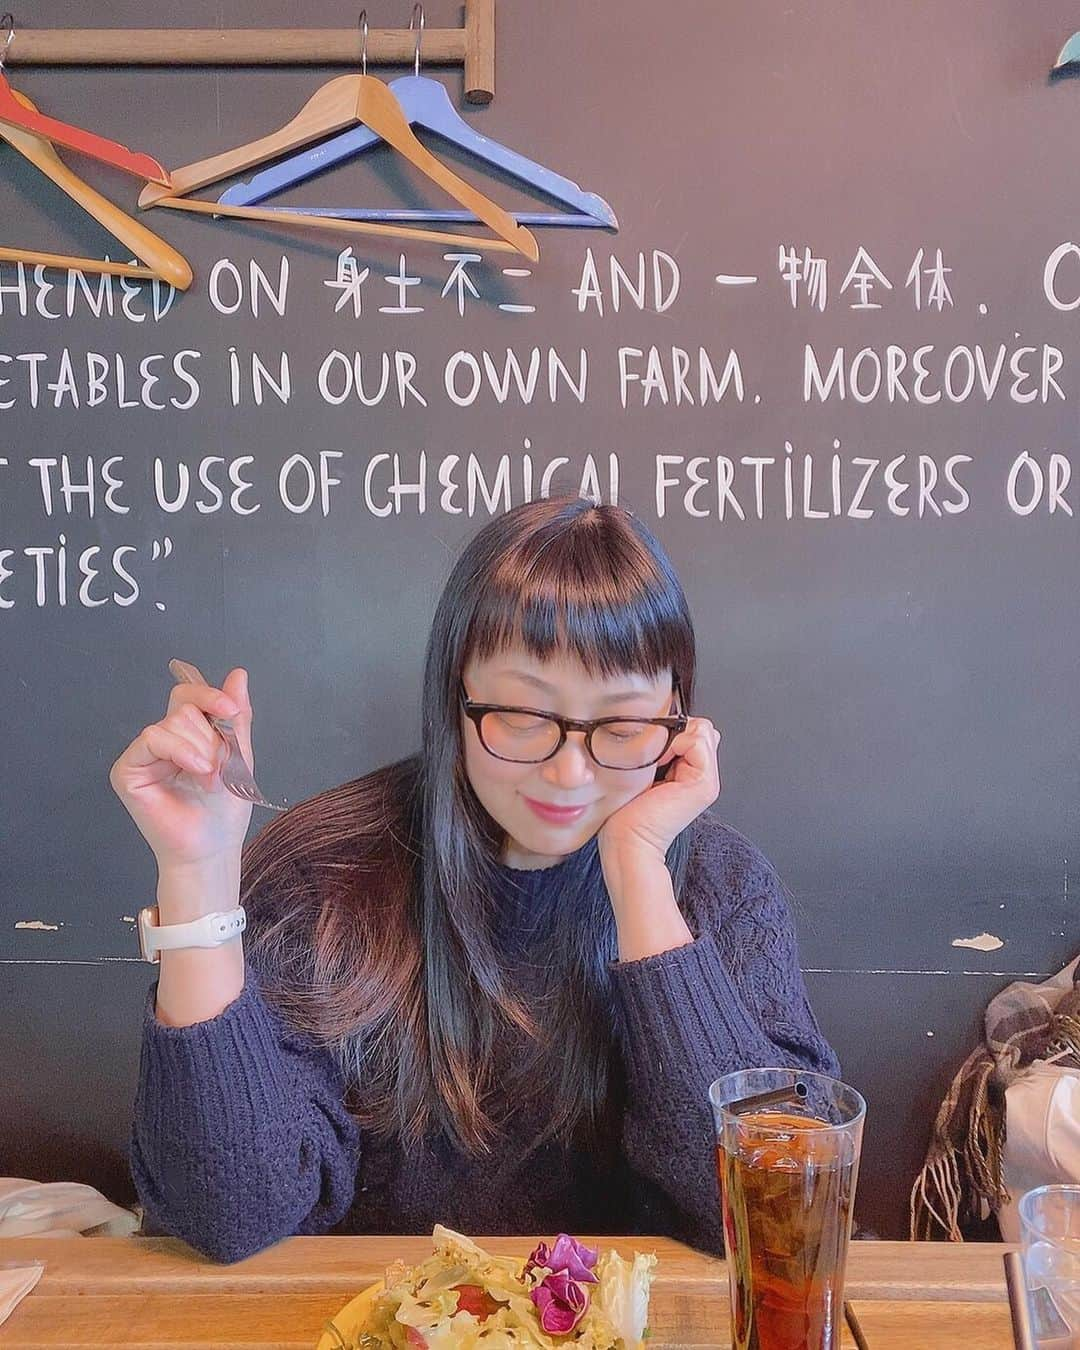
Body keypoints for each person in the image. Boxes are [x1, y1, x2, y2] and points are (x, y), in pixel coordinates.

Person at [110, 494, 838, 1264]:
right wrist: (197, 873)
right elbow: (228, 1210)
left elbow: (776, 1212)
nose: (569, 772)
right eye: (523, 716)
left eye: (621, 726)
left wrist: (640, 877)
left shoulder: (721, 889)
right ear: (455, 697)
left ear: (679, 721)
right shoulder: (326, 875)